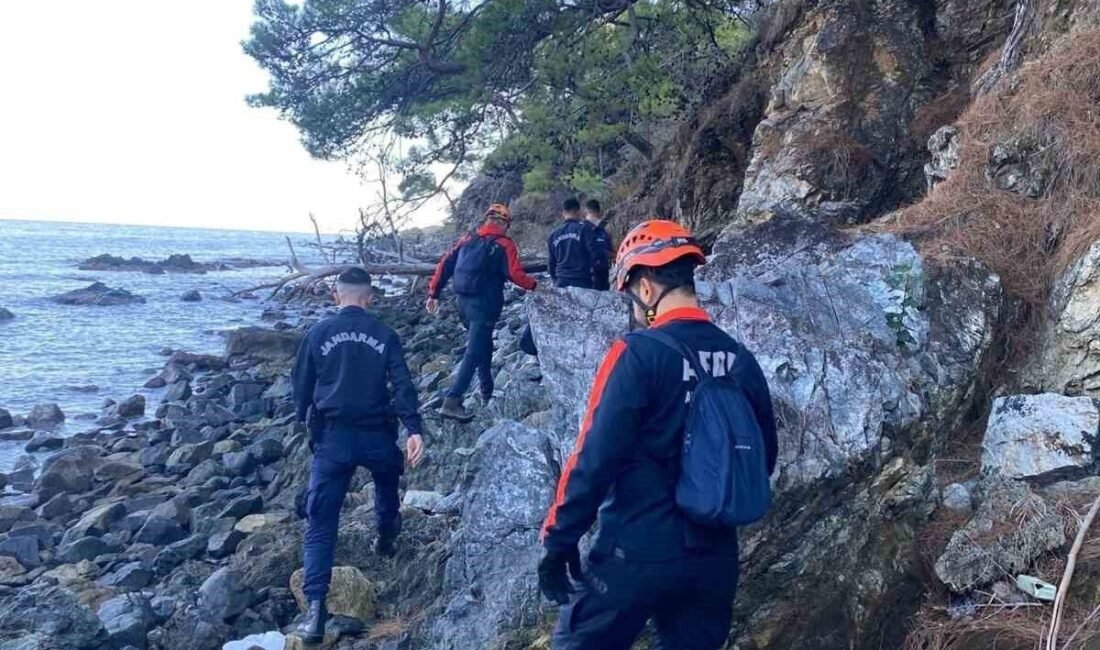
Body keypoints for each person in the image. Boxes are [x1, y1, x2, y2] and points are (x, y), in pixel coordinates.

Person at [537, 220, 778, 650]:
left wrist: (560, 538)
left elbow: (593, 457)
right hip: (714, 559)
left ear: (646, 288)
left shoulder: (636, 353)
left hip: (635, 549)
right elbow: (764, 458)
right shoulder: (740, 359)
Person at [290, 267, 425, 644]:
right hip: (376, 435)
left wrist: (301, 419)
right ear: (370, 298)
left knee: (321, 522)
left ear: (336, 295)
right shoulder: (384, 335)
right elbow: (402, 384)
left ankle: (315, 613)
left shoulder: (318, 333)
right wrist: (413, 429)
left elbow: (301, 386)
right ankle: (386, 535)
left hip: (333, 440)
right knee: (387, 483)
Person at [427, 203, 538, 422]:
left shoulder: (467, 239)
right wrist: (535, 286)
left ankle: (487, 389)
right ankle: (453, 400)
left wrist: (433, 294)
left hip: (463, 304)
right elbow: (515, 274)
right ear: (505, 223)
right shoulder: (504, 244)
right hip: (485, 305)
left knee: (483, 344)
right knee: (474, 350)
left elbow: (444, 264)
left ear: (487, 219)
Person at [548, 197, 608, 290]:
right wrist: (600, 283)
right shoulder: (584, 230)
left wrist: (555, 281)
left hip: (561, 283)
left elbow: (551, 263)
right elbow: (597, 255)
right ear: (578, 212)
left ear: (563, 213)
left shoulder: (553, 235)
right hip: (581, 282)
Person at [583, 199, 613, 291]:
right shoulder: (581, 230)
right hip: (588, 276)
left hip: (603, 274)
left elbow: (609, 250)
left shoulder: (603, 231)